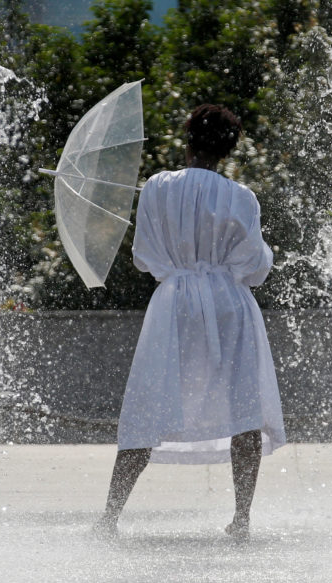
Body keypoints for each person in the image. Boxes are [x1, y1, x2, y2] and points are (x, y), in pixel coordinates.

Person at [95, 104, 286, 540]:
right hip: (228, 304)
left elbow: (144, 257)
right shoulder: (242, 197)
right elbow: (254, 268)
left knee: (149, 399)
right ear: (228, 150)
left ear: (188, 142)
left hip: (174, 302)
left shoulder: (157, 187)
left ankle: (110, 517)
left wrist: (181, 268)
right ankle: (241, 519)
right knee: (244, 407)